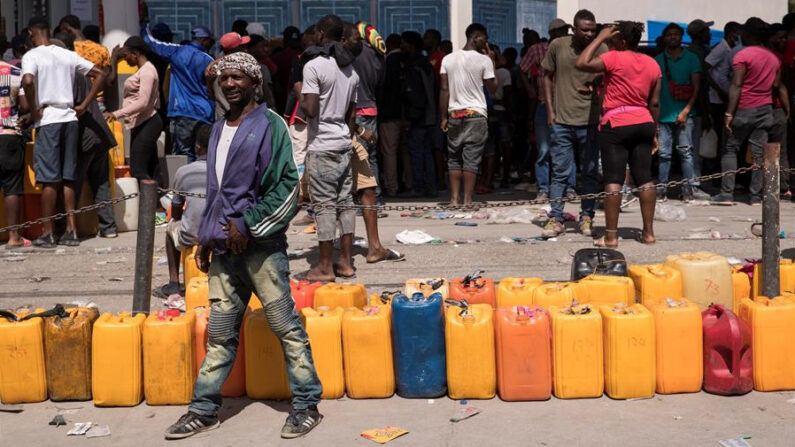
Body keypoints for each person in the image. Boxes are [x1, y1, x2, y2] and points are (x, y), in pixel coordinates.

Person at [165, 52, 322, 440]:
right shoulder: (219, 128)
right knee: (219, 333)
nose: (230, 84)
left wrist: (247, 226)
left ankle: (306, 404)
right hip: (222, 250)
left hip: (262, 248)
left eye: (238, 77)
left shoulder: (271, 126)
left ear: (256, 83)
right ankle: (204, 409)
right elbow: (215, 193)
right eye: (225, 78)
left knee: (286, 328)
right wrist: (206, 237)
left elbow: (288, 190)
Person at [21, 17, 106, 248]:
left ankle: (48, 232)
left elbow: (28, 81)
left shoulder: (32, 56)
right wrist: (84, 105)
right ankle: (72, 230)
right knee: (68, 178)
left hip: (48, 120)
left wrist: (35, 110)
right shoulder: (67, 54)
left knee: (49, 180)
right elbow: (100, 74)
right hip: (70, 118)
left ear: (31, 34)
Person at [576, 21, 661, 247]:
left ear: (621, 41)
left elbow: (581, 62)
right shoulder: (652, 63)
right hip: (644, 121)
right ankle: (649, 233)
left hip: (616, 122)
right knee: (644, 178)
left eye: (613, 40)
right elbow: (654, 102)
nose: (610, 43)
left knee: (613, 179)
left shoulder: (614, 57)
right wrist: (655, 131)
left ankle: (611, 236)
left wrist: (599, 38)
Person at [301, 15, 359, 281]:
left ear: (321, 34)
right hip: (343, 143)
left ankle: (324, 266)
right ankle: (345, 263)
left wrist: (302, 94)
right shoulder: (351, 71)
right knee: (345, 203)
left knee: (324, 206)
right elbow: (351, 116)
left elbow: (311, 110)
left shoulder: (313, 67)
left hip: (322, 145)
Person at [540, 10, 605, 239]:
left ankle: (586, 216)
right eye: (584, 30)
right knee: (559, 173)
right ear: (574, 29)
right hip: (562, 122)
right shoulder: (558, 45)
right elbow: (546, 76)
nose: (589, 34)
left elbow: (608, 78)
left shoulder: (601, 48)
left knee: (589, 172)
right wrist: (550, 109)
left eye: (592, 30)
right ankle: (555, 218)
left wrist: (595, 85)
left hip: (590, 121)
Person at [343, 23, 403, 265]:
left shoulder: (348, 56)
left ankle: (358, 202)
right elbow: (380, 83)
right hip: (372, 110)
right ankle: (374, 198)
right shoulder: (378, 56)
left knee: (353, 161)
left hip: (354, 113)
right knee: (372, 159)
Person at [713, 18, 789, 205]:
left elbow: (736, 85)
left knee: (730, 149)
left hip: (743, 108)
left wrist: (729, 113)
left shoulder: (742, 55)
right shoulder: (773, 57)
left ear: (748, 34)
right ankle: (755, 196)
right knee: (758, 154)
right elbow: (776, 84)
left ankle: (726, 194)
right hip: (765, 109)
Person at [440, 23, 497, 207]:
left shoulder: (448, 59)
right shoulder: (484, 60)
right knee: (471, 158)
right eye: (485, 39)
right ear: (476, 37)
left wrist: (443, 117)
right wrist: (492, 61)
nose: (486, 43)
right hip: (476, 115)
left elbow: (444, 89)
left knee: (454, 157)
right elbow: (493, 88)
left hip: (455, 115)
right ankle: (467, 200)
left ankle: (454, 199)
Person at [143, 23, 215, 162]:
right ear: (203, 39)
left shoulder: (177, 52)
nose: (212, 43)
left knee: (183, 154)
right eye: (210, 41)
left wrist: (144, 23)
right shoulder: (209, 60)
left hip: (182, 111)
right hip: (204, 112)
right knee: (204, 153)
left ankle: (187, 182)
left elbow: (150, 41)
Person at [519, 19, 572, 200]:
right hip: (543, 104)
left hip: (566, 105)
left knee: (566, 149)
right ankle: (543, 188)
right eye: (563, 31)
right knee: (543, 149)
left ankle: (569, 187)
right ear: (554, 33)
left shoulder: (572, 48)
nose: (566, 34)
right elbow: (522, 68)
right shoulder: (537, 50)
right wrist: (529, 88)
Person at [155, 124, 209, 298]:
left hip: (192, 235)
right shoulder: (226, 170)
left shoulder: (184, 172)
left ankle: (174, 283)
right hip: (221, 233)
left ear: (197, 147)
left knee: (171, 227)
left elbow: (176, 211)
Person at [653, 23, 701, 202]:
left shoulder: (692, 58)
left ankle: (688, 190)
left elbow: (696, 87)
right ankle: (662, 190)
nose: (673, 37)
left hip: (685, 114)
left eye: (676, 34)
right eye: (669, 35)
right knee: (663, 155)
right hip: (663, 114)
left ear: (682, 37)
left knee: (686, 152)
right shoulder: (657, 60)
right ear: (665, 38)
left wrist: (686, 110)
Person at [105, 36, 162, 180]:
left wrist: (116, 114)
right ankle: (157, 199)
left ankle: (148, 201)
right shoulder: (143, 70)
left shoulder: (147, 71)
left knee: (138, 169)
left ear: (135, 54)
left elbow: (143, 102)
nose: (125, 59)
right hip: (143, 122)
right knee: (151, 167)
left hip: (148, 122)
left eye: (126, 56)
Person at [402, 30, 438, 197]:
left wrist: (410, 116)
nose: (402, 47)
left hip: (419, 117)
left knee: (417, 153)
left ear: (412, 45)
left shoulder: (414, 66)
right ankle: (430, 187)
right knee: (427, 153)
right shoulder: (426, 64)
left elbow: (415, 93)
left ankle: (419, 187)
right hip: (430, 115)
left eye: (404, 43)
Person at [0, 53, 30, 248]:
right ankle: (14, 237)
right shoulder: (15, 72)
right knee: (12, 187)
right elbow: (26, 105)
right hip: (9, 135)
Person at [705, 22, 743, 174]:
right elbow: (706, 66)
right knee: (720, 139)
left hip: (723, 98)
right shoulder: (721, 48)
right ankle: (714, 172)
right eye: (737, 33)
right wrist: (718, 89)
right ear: (731, 33)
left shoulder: (730, 49)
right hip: (717, 99)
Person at [478, 44, 512, 193]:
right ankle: (500, 177)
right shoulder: (503, 72)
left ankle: (489, 179)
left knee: (490, 148)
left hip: (491, 112)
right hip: (498, 111)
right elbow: (508, 95)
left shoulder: (484, 71)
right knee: (499, 147)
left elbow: (508, 95)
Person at [377, 33, 407, 197]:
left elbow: (384, 89)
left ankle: (392, 187)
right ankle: (408, 182)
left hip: (389, 113)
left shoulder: (388, 62)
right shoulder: (407, 60)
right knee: (403, 152)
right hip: (405, 114)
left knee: (389, 152)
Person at [767, 23, 791, 197]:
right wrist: (788, 109)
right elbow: (779, 85)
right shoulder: (775, 57)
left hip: (767, 106)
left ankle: (778, 185)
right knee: (778, 149)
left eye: (785, 37)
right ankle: (782, 185)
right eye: (780, 37)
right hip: (773, 107)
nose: (784, 41)